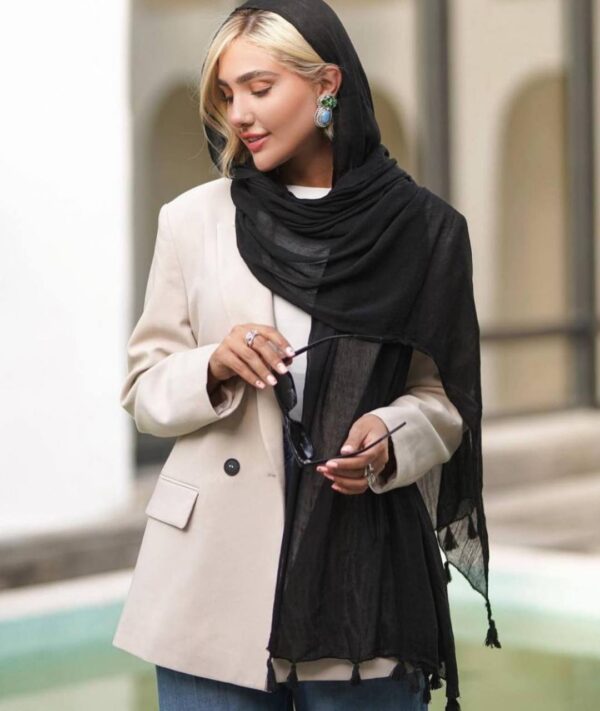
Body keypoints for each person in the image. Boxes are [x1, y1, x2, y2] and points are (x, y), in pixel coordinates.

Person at [113, 2, 500, 710]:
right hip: (211, 581)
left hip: (362, 584)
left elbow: (443, 400)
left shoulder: (422, 231)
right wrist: (213, 365)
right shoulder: (194, 220)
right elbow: (143, 389)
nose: (240, 114)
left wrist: (391, 436)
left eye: (259, 88)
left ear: (326, 84)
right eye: (227, 94)